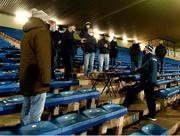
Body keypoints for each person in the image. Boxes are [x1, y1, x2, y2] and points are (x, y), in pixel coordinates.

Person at [20, 8, 51, 125]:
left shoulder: (27, 33)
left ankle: (23, 131)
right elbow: (44, 58)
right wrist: (46, 80)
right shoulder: (42, 32)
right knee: (35, 115)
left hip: (26, 77)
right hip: (37, 79)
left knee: (26, 110)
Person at [123, 44, 158, 121]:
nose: (144, 49)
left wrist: (137, 70)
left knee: (131, 91)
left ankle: (123, 108)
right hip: (152, 80)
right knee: (150, 99)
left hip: (145, 80)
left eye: (145, 47)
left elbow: (144, 68)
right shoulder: (155, 57)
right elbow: (154, 69)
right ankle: (152, 115)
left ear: (148, 49)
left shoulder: (147, 56)